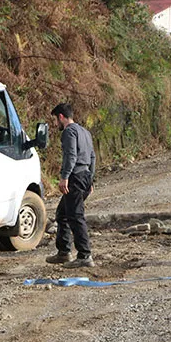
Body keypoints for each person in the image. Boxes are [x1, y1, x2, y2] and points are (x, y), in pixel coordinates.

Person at [45, 103, 96, 268]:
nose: (55, 124)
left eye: (55, 120)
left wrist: (64, 177)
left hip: (75, 177)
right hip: (85, 176)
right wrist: (91, 180)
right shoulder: (85, 132)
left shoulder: (69, 132)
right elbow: (92, 157)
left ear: (61, 116)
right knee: (62, 213)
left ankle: (85, 255)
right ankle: (64, 252)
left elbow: (71, 155)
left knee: (75, 216)